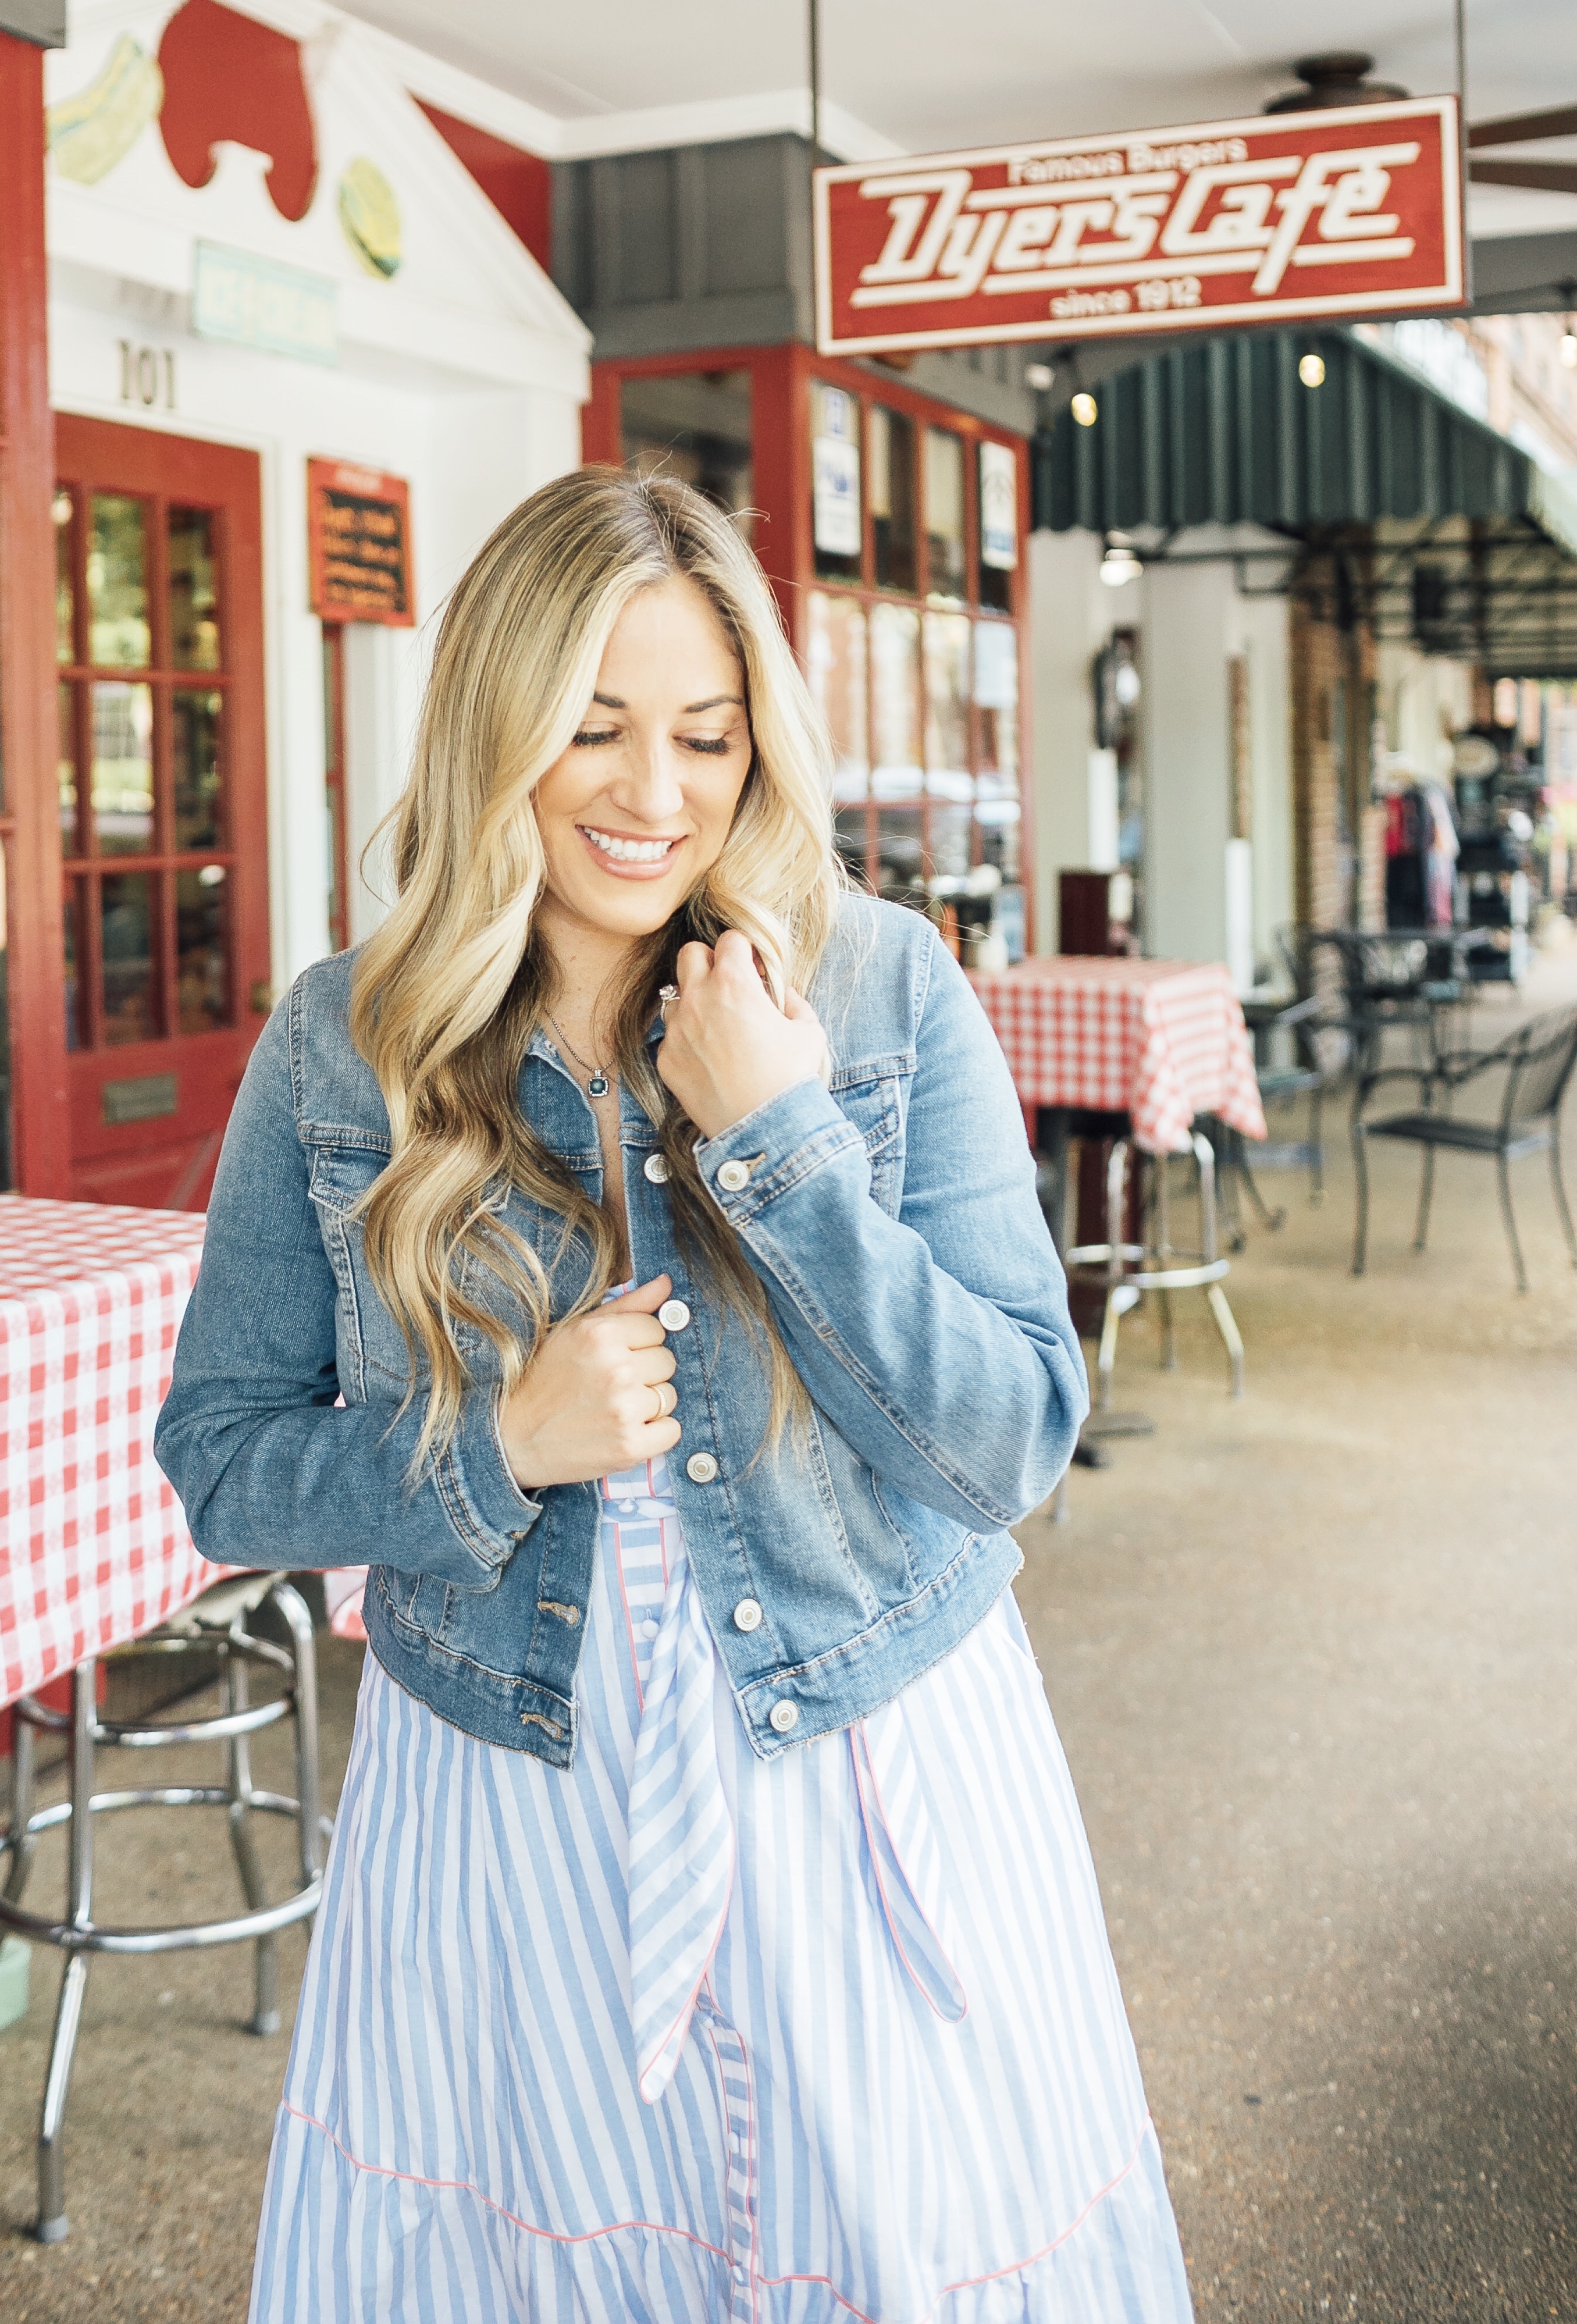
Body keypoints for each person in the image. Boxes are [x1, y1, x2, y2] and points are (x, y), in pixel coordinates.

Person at [156, 467, 1192, 2322]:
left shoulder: (878, 989)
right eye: (594, 729)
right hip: (508, 1777)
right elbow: (227, 1465)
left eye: (705, 737)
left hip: (864, 1753)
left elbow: (1011, 1440)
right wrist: (497, 1452)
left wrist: (781, 1140)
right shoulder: (344, 1038)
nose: (655, 795)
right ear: (499, 729)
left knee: (893, 2245)